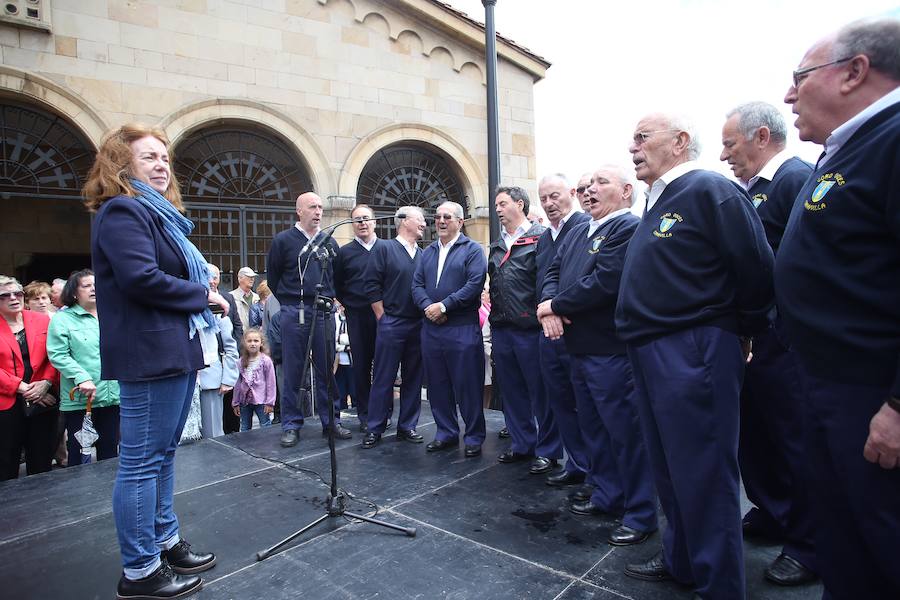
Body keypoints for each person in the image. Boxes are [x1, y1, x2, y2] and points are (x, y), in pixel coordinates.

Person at [615, 113, 774, 599]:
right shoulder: (656, 202)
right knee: (669, 468)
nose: (633, 148)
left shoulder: (709, 189)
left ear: (680, 142)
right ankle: (682, 560)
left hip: (693, 347)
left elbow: (756, 266)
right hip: (650, 351)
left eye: (643, 138)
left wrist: (742, 330)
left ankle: (719, 586)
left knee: (703, 473)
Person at [776, 18, 900, 599]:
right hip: (827, 386)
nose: (788, 94)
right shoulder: (845, 152)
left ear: (854, 72)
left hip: (874, 397)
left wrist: (898, 405)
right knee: (845, 541)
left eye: (800, 77)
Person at [85, 123, 230, 600]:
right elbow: (141, 279)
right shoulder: (123, 210)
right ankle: (140, 569)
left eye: (165, 158)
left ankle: (164, 541)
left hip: (173, 349)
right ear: (121, 165)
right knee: (141, 463)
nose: (162, 165)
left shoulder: (158, 214)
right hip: (149, 354)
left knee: (163, 455)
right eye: (149, 157)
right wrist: (203, 297)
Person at [720, 101, 817, 586]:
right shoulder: (750, 190)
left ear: (761, 137)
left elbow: (803, 260)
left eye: (730, 144)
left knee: (792, 438)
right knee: (758, 435)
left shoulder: (797, 179)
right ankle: (774, 510)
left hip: (784, 338)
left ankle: (808, 542)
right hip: (754, 334)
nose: (724, 156)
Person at [539, 166, 657, 546]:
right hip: (578, 349)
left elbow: (606, 281)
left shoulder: (626, 228)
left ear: (626, 192)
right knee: (594, 429)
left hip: (610, 351)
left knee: (625, 432)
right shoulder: (578, 233)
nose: (589, 190)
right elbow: (553, 271)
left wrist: (555, 304)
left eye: (600, 183)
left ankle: (640, 513)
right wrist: (550, 305)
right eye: (587, 185)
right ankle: (607, 494)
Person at [488, 186, 562, 474]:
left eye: (502, 203)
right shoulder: (496, 244)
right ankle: (522, 444)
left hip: (530, 328)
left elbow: (547, 280)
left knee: (540, 392)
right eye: (496, 204)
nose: (497, 209)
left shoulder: (540, 239)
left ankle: (548, 449)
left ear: (519, 204)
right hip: (503, 327)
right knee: (512, 391)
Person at [267, 191, 348, 447]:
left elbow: (338, 277)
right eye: (312, 207)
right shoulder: (283, 241)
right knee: (294, 369)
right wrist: (291, 301)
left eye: (320, 207)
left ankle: (331, 421)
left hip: (323, 310)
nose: (318, 211)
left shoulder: (329, 242)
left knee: (326, 368)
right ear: (299, 210)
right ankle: (291, 424)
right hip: (295, 310)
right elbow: (273, 277)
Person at [412, 201, 487, 457]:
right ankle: (446, 433)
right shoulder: (428, 251)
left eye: (447, 217)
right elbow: (417, 285)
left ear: (460, 221)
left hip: (461, 328)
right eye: (437, 217)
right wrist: (428, 308)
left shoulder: (473, 250)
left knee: (467, 385)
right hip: (431, 328)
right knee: (437, 384)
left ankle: (474, 436)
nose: (441, 221)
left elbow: (474, 284)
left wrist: (444, 306)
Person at [535, 174, 592, 495]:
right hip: (548, 332)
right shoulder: (545, 238)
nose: (548, 204)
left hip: (577, 331)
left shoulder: (585, 227)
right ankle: (577, 464)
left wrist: (556, 307)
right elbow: (545, 278)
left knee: (585, 405)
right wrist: (545, 309)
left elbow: (581, 278)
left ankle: (594, 470)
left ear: (571, 192)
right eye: (543, 198)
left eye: (554, 196)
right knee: (560, 402)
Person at [362, 206, 427, 448]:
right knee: (383, 377)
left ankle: (407, 426)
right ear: (403, 221)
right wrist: (382, 318)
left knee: (413, 377)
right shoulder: (383, 249)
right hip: (392, 322)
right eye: (419, 219)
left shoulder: (424, 254)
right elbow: (371, 285)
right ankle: (375, 427)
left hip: (418, 325)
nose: (424, 223)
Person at [46, 269, 120, 463]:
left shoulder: (112, 315)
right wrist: (82, 377)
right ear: (73, 293)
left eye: (96, 285)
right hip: (82, 398)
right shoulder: (63, 319)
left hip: (113, 396)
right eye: (87, 286)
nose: (93, 289)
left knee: (110, 451)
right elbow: (58, 354)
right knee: (80, 454)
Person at [0, 275, 59, 480]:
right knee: (6, 463)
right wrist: (25, 389)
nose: (13, 298)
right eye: (5, 295)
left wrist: (46, 383)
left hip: (42, 400)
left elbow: (55, 355)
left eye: (18, 293)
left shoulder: (41, 320)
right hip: (6, 402)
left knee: (42, 462)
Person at [334, 204, 379, 432]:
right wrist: (350, 304)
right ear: (352, 225)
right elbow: (338, 285)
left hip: (383, 317)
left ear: (374, 222)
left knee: (383, 366)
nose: (362, 223)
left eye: (365, 219)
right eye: (357, 220)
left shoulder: (387, 249)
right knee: (361, 365)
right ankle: (365, 414)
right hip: (357, 317)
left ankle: (382, 411)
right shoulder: (345, 253)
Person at [197, 264, 239, 439]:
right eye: (207, 276)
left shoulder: (219, 310)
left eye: (214, 277)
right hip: (186, 380)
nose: (211, 281)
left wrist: (228, 378)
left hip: (210, 379)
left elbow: (230, 346)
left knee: (212, 435)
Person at [232, 327, 276, 431]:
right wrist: (236, 402)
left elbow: (271, 382)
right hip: (245, 401)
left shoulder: (266, 361)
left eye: (256, 341)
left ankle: (266, 445)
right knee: (245, 427)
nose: (253, 343)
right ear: (245, 343)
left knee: (265, 425)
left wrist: (270, 402)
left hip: (261, 401)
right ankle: (245, 446)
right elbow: (238, 383)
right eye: (249, 341)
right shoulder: (240, 362)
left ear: (261, 343)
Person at [332, 301, 355, 411]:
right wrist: (343, 345)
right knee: (340, 394)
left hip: (352, 363)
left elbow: (354, 341)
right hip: (338, 363)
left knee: (355, 393)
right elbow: (334, 341)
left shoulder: (354, 319)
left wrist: (342, 342)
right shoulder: (335, 319)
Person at [229, 266, 259, 333]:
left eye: (253, 277)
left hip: (254, 337)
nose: (252, 279)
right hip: (238, 335)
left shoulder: (257, 297)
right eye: (249, 277)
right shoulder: (231, 296)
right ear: (240, 278)